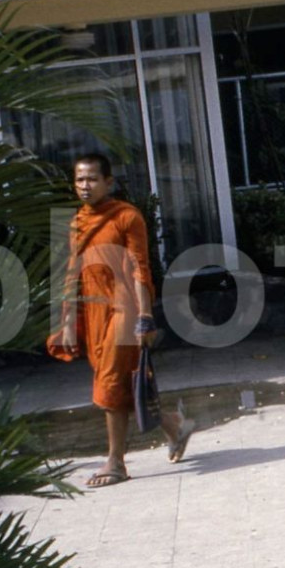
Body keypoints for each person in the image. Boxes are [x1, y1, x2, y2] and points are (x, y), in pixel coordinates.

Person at [48, 153, 193, 487]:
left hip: (125, 308)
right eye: (80, 180)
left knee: (111, 382)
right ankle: (176, 425)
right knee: (124, 383)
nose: (85, 186)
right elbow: (71, 274)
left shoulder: (127, 217)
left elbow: (139, 268)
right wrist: (69, 322)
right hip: (94, 310)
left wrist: (145, 316)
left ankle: (115, 462)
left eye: (92, 179)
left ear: (108, 182)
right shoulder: (77, 222)